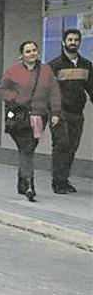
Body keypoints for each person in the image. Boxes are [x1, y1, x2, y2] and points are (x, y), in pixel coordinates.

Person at [0, 40, 62, 202]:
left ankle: (22, 181)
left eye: (34, 50)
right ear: (22, 54)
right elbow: (2, 89)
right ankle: (29, 184)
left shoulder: (46, 71)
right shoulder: (13, 70)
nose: (32, 53)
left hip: (39, 116)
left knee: (28, 149)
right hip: (20, 117)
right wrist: (16, 98)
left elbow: (54, 92)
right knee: (27, 148)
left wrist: (55, 112)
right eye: (28, 51)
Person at [47, 28, 92, 194]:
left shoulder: (86, 65)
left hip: (77, 113)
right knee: (61, 145)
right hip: (60, 112)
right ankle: (58, 182)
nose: (73, 43)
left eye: (76, 40)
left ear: (80, 42)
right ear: (63, 42)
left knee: (72, 146)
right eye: (70, 40)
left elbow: (91, 88)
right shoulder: (54, 65)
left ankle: (64, 180)